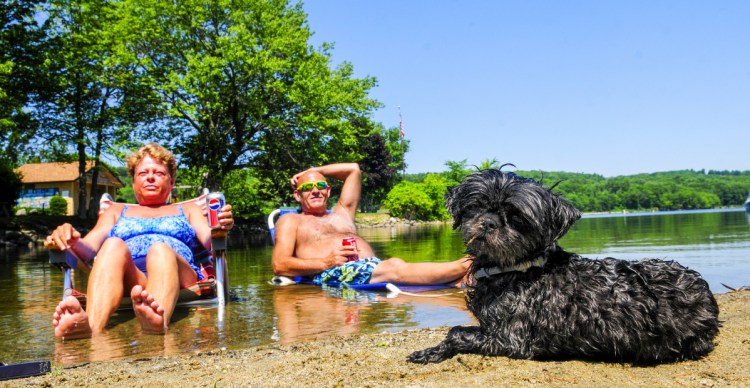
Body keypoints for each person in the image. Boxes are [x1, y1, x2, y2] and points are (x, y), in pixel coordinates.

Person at [47, 143, 234, 339]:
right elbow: (87, 250)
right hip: (131, 280)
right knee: (112, 245)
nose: (150, 177)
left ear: (171, 181)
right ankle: (91, 329)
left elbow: (210, 240)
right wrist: (70, 239)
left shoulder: (189, 210)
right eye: (143, 173)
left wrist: (220, 228)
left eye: (159, 173)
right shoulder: (115, 211)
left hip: (179, 276)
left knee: (160, 250)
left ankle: (157, 321)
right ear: (134, 182)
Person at [272, 163, 470, 287]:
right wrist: (325, 262)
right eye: (307, 188)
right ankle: (467, 263)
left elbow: (353, 170)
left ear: (328, 191)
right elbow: (280, 264)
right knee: (394, 267)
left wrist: (311, 171)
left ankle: (464, 280)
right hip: (333, 271)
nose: (315, 191)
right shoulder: (291, 220)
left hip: (371, 268)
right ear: (297, 195)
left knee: (397, 266)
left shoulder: (342, 213)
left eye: (321, 186)